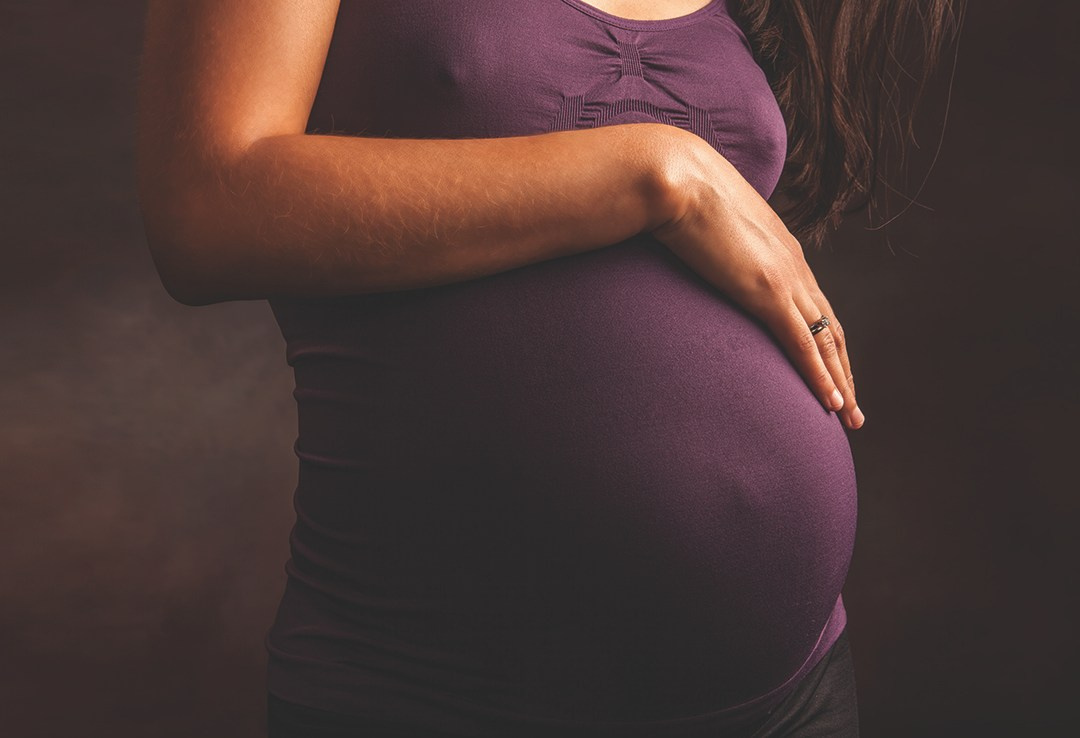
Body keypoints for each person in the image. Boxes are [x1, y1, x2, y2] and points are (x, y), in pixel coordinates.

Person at [135, 1, 962, 736]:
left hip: (795, 692)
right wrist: (657, 172)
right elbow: (209, 207)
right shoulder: (660, 174)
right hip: (441, 698)